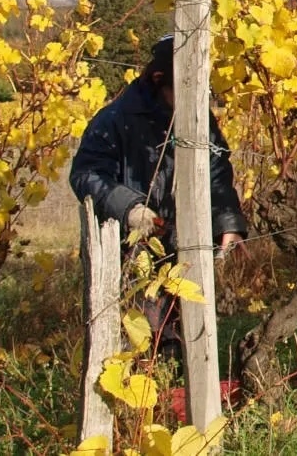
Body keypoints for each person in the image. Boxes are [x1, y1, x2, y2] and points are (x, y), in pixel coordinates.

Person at [69, 33, 248, 365]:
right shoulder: (114, 120)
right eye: (185, 88)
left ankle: (174, 399)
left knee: (183, 337)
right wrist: (131, 209)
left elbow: (218, 170)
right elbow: (86, 174)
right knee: (132, 337)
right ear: (158, 80)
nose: (196, 98)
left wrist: (227, 221)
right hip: (128, 252)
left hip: (185, 248)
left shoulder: (199, 118)